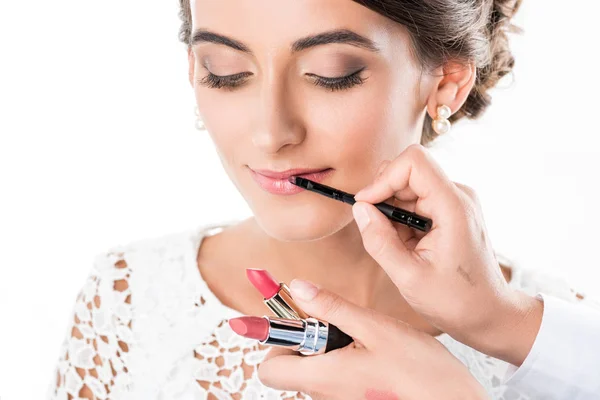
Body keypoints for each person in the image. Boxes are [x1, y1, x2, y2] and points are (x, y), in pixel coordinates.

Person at [46, 0, 600, 399]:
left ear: (445, 84)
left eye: (330, 75)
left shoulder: (553, 333)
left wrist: (491, 340)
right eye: (226, 73)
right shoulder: (129, 300)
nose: (271, 132)